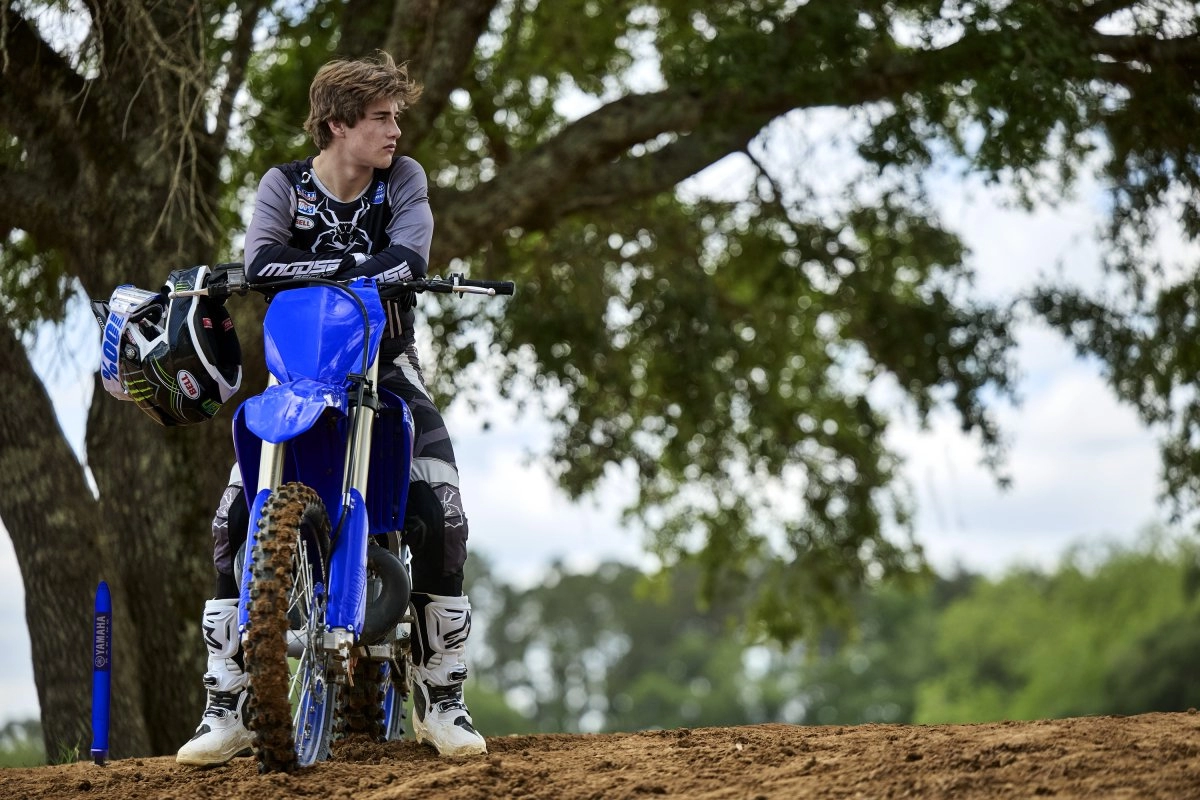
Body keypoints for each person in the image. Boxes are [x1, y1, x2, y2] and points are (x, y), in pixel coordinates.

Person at [175, 51, 487, 766]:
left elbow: (408, 260)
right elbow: (261, 263)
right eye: (381, 118)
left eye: (396, 117)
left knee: (442, 514)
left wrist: (315, 268)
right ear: (339, 124)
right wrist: (352, 268)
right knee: (231, 520)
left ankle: (442, 700)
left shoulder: (402, 181)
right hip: (299, 374)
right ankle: (227, 705)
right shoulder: (283, 185)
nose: (395, 131)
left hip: (388, 368)